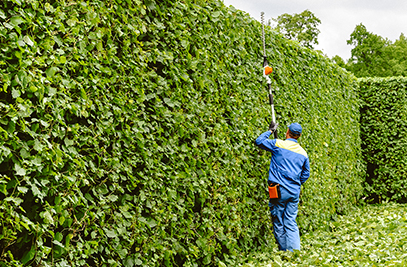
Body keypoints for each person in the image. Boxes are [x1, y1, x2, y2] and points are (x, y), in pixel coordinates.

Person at [255, 122, 310, 251]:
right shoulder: (303, 153)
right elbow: (305, 174)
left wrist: (270, 130)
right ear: (299, 136)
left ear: (287, 132)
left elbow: (259, 141)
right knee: (290, 221)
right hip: (294, 192)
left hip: (278, 190)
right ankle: (295, 252)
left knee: (278, 220)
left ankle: (285, 251)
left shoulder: (278, 144)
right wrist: (295, 183)